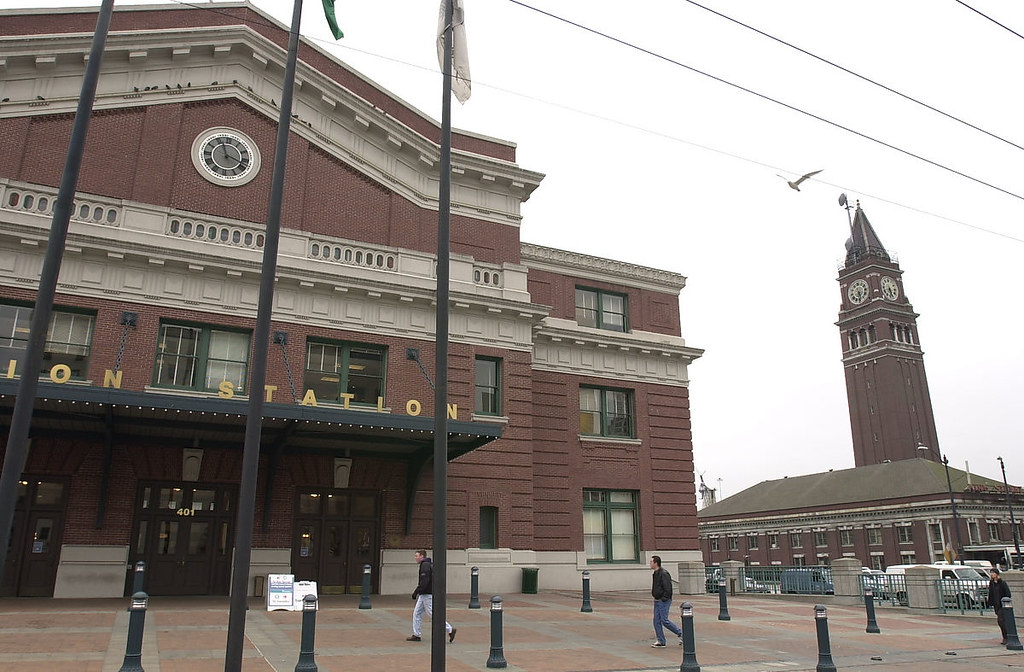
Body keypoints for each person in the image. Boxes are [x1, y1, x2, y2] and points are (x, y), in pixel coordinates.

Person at [407, 549, 456, 643]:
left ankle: (449, 629)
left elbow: (424, 581)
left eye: (416, 556)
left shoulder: (425, 565)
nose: (415, 558)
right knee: (417, 613)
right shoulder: (428, 564)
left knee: (432, 614)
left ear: (422, 556)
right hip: (425, 594)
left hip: (426, 594)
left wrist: (416, 591)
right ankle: (416, 634)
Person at [650, 555, 682, 647]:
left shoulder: (663, 573)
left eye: (651, 562)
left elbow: (668, 588)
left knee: (664, 620)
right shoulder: (655, 573)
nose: (650, 564)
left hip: (663, 600)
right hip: (657, 600)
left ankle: (681, 633)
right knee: (656, 621)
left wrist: (664, 598)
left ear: (656, 563)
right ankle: (661, 641)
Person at [987, 567, 1012, 645]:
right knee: (1001, 621)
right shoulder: (991, 583)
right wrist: (990, 603)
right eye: (991, 573)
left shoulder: (1002, 583)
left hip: (1002, 605)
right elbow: (991, 594)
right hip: (996, 605)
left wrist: (1004, 601)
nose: (992, 574)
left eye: (993, 573)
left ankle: (1006, 637)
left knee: (1001, 621)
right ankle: (1005, 636)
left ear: (997, 574)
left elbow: (1008, 593)